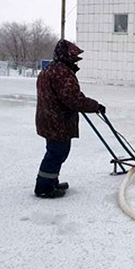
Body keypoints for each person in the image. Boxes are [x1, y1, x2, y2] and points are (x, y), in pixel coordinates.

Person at [34, 39, 106, 198]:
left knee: (55, 151)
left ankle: (51, 181)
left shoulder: (50, 69)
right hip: (58, 121)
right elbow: (73, 99)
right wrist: (95, 106)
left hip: (48, 118)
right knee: (57, 153)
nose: (75, 58)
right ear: (65, 55)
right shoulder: (62, 73)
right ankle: (44, 187)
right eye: (73, 55)